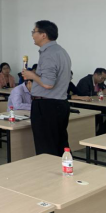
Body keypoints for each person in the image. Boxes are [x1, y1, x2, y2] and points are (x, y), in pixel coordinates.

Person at [22, 20, 72, 157]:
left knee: (47, 148)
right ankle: (65, 170)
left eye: (34, 32)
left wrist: (32, 75)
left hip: (47, 106)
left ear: (43, 35)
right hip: (59, 103)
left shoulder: (49, 53)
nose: (32, 35)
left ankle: (50, 171)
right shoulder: (61, 51)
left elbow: (48, 84)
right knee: (60, 145)